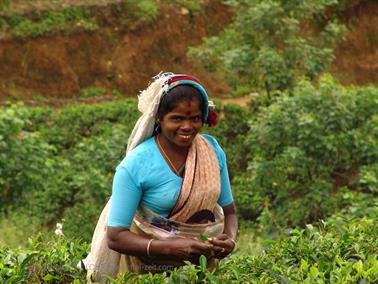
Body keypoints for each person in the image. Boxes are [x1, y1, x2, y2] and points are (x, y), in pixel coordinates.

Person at [89, 72, 238, 277]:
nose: (187, 127)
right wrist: (169, 247)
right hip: (146, 271)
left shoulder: (212, 152)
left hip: (200, 271)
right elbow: (115, 237)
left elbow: (230, 213)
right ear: (159, 117)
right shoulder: (136, 165)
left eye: (194, 118)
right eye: (176, 119)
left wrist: (229, 239)